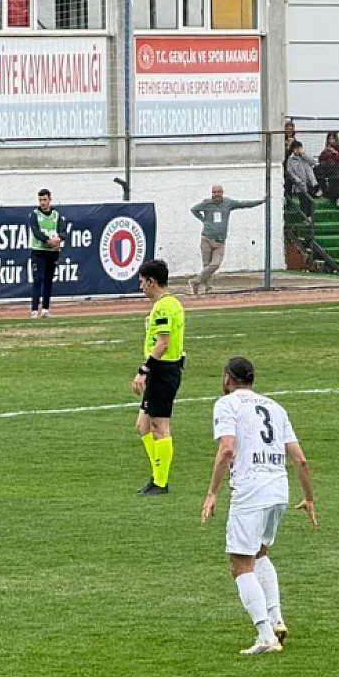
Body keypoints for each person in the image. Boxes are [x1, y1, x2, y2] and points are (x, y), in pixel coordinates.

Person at [202, 356, 317, 656]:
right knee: (260, 553)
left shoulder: (226, 405)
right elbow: (300, 458)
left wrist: (212, 493)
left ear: (228, 378)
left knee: (240, 564)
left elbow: (227, 449)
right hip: (279, 490)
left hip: (250, 491)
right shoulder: (275, 407)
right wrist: (309, 498)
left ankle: (266, 636)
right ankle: (277, 620)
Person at [132, 259, 186, 495]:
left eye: (142, 282)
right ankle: (157, 475)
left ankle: (161, 483)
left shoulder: (164, 307)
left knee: (159, 426)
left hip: (163, 370)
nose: (141, 286)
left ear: (152, 282)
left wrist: (144, 370)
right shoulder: (172, 303)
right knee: (142, 426)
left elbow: (163, 343)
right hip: (163, 369)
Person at [188, 185, 266, 296]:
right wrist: (203, 219)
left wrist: (260, 201)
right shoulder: (206, 203)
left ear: (222, 192)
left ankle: (196, 281)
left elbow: (243, 204)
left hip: (220, 241)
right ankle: (208, 288)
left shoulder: (228, 203)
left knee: (215, 264)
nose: (216, 194)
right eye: (214, 192)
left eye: (218, 192)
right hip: (206, 238)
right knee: (206, 265)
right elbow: (194, 209)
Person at [28, 189, 62, 319]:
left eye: (45, 200)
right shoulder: (34, 215)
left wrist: (58, 240)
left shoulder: (56, 215)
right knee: (38, 280)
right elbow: (36, 231)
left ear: (50, 200)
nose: (42, 202)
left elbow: (63, 231)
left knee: (48, 281)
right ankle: (34, 310)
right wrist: (49, 240)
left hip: (52, 253)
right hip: (39, 251)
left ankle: (46, 310)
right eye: (40, 200)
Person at [284, 141, 318, 222]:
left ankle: (310, 217)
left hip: (310, 182)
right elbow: (290, 172)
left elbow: (314, 162)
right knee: (303, 202)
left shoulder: (305, 157)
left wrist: (304, 155)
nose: (298, 150)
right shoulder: (291, 160)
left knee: (310, 201)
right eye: (296, 148)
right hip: (300, 185)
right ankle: (304, 218)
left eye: (299, 148)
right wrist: (298, 181)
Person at [315, 132, 339, 204]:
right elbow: (320, 159)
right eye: (329, 139)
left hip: (337, 168)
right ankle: (321, 188)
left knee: (333, 167)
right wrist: (324, 152)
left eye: (332, 138)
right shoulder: (326, 149)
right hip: (327, 168)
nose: (331, 140)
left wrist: (334, 152)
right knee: (318, 168)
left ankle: (338, 198)